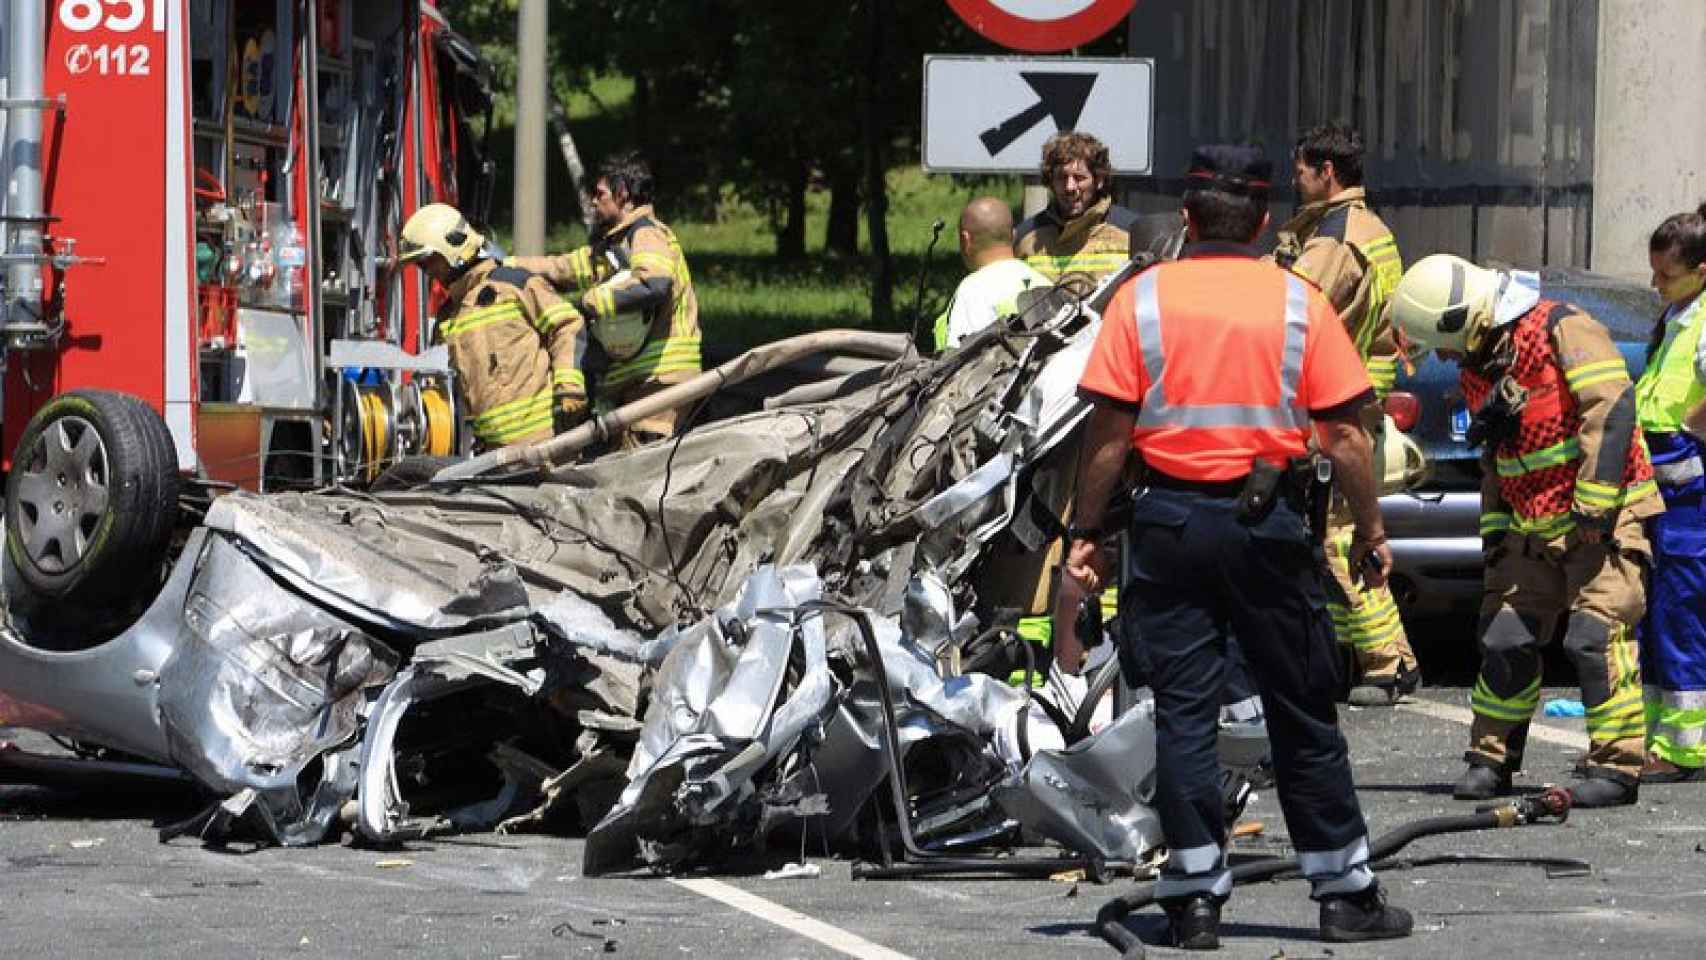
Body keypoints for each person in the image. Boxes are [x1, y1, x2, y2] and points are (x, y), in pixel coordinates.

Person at [1067, 143, 1412, 948]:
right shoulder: (1298, 303)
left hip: (1170, 530)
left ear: (1186, 218)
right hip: (1270, 530)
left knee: (1183, 714)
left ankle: (1191, 900)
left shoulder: (1141, 302)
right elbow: (1348, 438)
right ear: (1263, 222)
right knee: (1300, 707)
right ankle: (1344, 893)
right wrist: (1369, 530)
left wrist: (1085, 534)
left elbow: (1110, 436)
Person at [1390, 254, 1659, 808]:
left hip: (1600, 518)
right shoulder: (1482, 362)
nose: (1441, 356)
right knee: (1506, 638)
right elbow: (1497, 454)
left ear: (1463, 321)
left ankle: (1616, 767)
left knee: (1594, 636)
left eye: (1441, 343)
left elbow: (1610, 409)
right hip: (1528, 521)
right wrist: (1494, 531)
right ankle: (1491, 760)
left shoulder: (1562, 328)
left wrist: (1595, 504)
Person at [1273, 123, 1420, 707]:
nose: (1294, 179)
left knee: (1336, 538)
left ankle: (1390, 664)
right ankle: (1358, 660)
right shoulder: (1368, 228)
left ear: (1325, 172)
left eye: (1301, 169)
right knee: (1329, 534)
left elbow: (1289, 309)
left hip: (1333, 406)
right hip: (1357, 402)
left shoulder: (1335, 241)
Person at [509, 152, 700, 448]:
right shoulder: (612, 247)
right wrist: (505, 265)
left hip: (660, 381)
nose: (593, 202)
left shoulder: (647, 234)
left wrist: (601, 300)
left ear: (623, 194)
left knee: (644, 473)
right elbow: (560, 268)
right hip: (639, 380)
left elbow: (656, 283)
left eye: (600, 195)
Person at [398, 203, 587, 449]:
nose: (427, 271)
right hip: (488, 458)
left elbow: (567, 325)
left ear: (452, 247)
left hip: (545, 447)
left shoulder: (513, 285)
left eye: (428, 261)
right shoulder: (448, 318)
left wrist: (569, 385)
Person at [1635, 203, 1706, 783]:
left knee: (1681, 619)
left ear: (1701, 270)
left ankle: (1685, 750)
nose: (1656, 283)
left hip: (1691, 507)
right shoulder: (1680, 319)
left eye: (1667, 274)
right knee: (1657, 619)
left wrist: (1687, 429)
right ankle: (1657, 738)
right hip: (1666, 505)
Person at [1014, 131, 1142, 286]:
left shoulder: (1132, 232)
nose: (1070, 187)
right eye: (1061, 178)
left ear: (1099, 180)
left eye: (1079, 178)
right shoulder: (1026, 237)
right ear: (1051, 181)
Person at [932, 196, 1050, 352]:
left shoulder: (971, 291)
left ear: (965, 240)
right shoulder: (1044, 283)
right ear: (1013, 236)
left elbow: (955, 361)